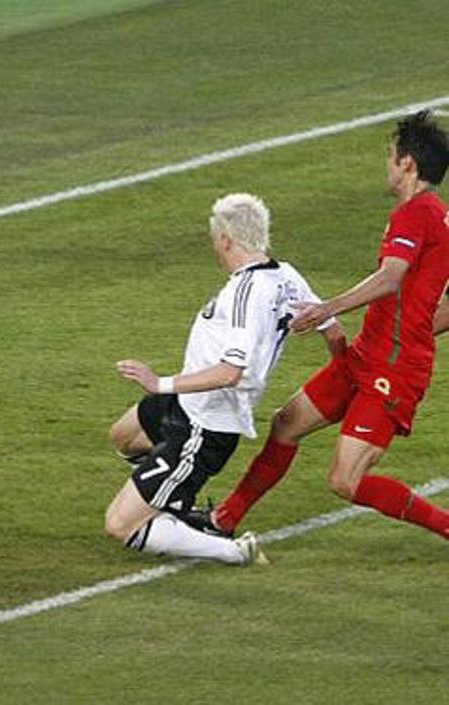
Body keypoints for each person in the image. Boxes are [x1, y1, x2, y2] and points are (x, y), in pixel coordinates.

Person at [185, 110, 449, 541]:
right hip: (369, 355)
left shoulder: (414, 215)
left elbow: (391, 278)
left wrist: (329, 308)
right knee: (286, 423)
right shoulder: (437, 215)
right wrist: (415, 330)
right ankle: (223, 520)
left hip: (392, 370)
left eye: (390, 155)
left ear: (407, 163)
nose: (387, 163)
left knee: (345, 480)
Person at [104, 192, 345, 565]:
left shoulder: (245, 293)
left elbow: (230, 373)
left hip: (204, 424)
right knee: (124, 436)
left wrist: (159, 383)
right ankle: (170, 498)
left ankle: (232, 550)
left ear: (226, 240)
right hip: (187, 401)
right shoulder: (285, 276)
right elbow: (332, 328)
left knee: (120, 524)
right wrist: (344, 375)